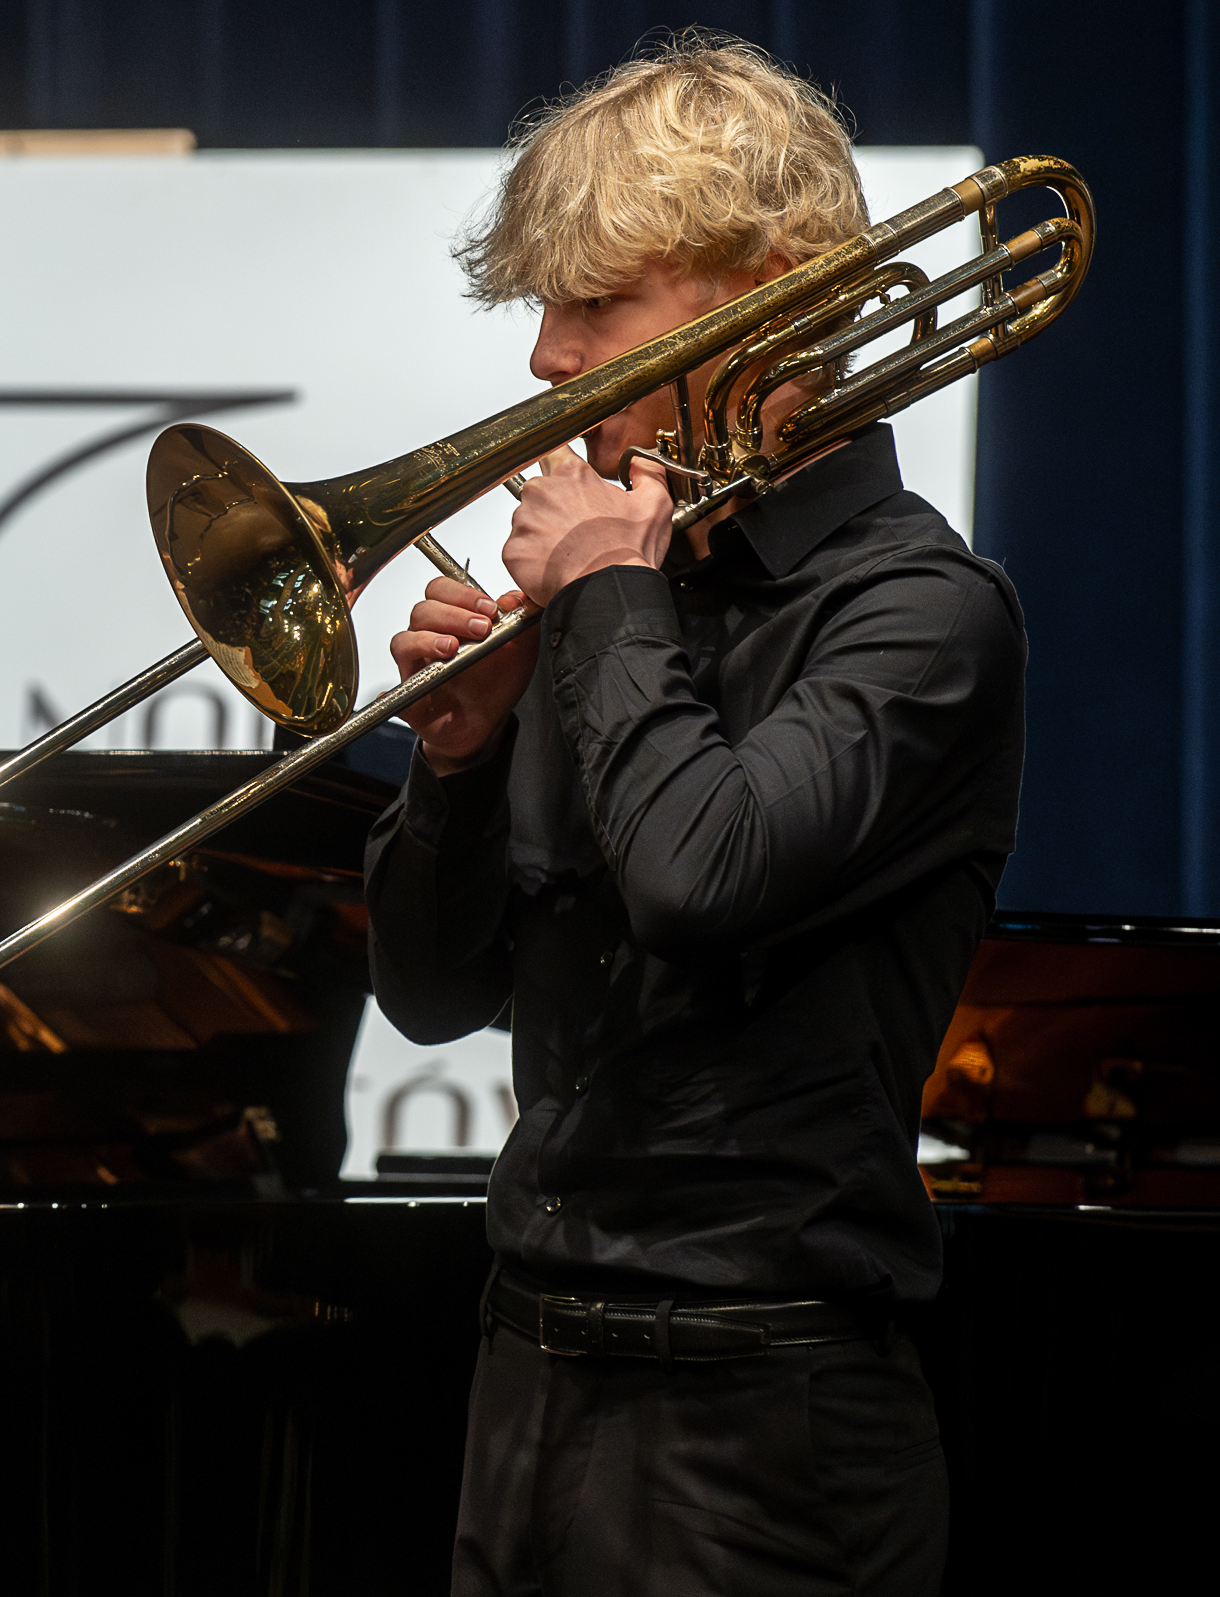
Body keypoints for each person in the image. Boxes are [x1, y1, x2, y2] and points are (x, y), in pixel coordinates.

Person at [363, 36, 1025, 1596]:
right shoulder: (612, 611)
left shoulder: (923, 612)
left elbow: (697, 878)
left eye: (595, 304)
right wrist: (459, 763)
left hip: (765, 1433)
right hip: (524, 1381)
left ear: (770, 300)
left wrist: (608, 603)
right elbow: (432, 994)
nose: (546, 360)